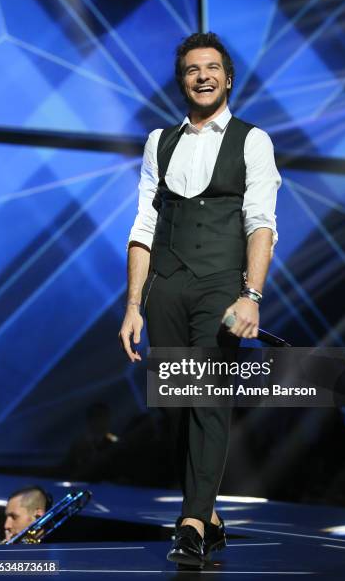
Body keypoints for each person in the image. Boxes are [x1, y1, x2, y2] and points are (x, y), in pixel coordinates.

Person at [119, 32, 281, 568]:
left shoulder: (252, 140)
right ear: (182, 79)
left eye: (213, 68)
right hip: (164, 286)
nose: (203, 76)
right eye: (193, 69)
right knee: (177, 405)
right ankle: (209, 518)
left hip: (219, 285)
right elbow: (144, 224)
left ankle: (189, 523)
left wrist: (251, 295)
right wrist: (133, 305)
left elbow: (261, 223)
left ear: (228, 78)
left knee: (208, 396)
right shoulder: (158, 142)